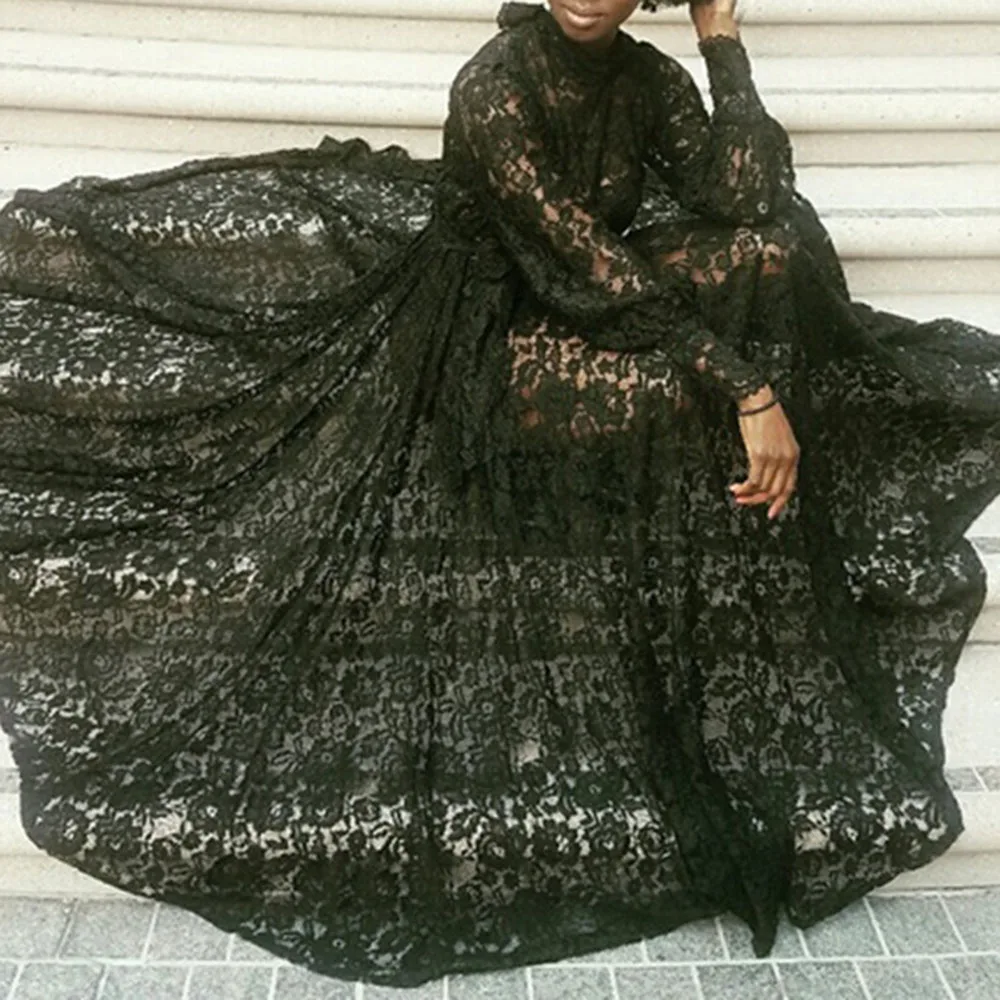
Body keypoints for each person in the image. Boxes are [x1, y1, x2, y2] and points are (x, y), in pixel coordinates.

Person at [0, 0, 997, 988]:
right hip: (484, 338)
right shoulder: (496, 83)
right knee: (681, 380)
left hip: (582, 305)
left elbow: (744, 193)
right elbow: (576, 257)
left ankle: (743, 529)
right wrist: (748, 387)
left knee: (767, 250)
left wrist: (720, 41)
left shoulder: (646, 78)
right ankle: (715, 524)